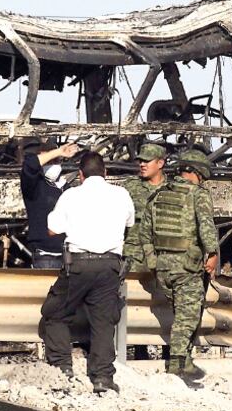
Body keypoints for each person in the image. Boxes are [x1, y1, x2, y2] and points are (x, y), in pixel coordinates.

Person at [39, 151, 134, 393]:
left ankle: (62, 368)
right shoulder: (121, 194)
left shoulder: (71, 195)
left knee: (54, 312)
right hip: (110, 265)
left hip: (79, 264)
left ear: (81, 175)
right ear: (105, 173)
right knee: (103, 321)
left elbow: (52, 229)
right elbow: (129, 223)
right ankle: (102, 378)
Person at [143, 149, 218, 380]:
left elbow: (145, 233)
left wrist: (153, 261)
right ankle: (177, 366)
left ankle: (185, 360)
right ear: (197, 173)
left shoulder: (158, 195)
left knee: (182, 313)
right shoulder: (197, 194)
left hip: (163, 267)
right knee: (187, 317)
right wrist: (213, 254)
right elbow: (206, 226)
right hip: (187, 266)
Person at [20, 141, 79, 269]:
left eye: (56, 161)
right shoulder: (34, 186)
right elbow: (30, 165)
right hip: (46, 257)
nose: (53, 164)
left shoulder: (66, 187)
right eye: (49, 161)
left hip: (69, 255)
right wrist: (58, 152)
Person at [121, 143, 167, 272]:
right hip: (135, 254)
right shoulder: (130, 187)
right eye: (140, 161)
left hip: (163, 255)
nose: (142, 164)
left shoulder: (172, 188)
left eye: (147, 161)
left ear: (160, 163)